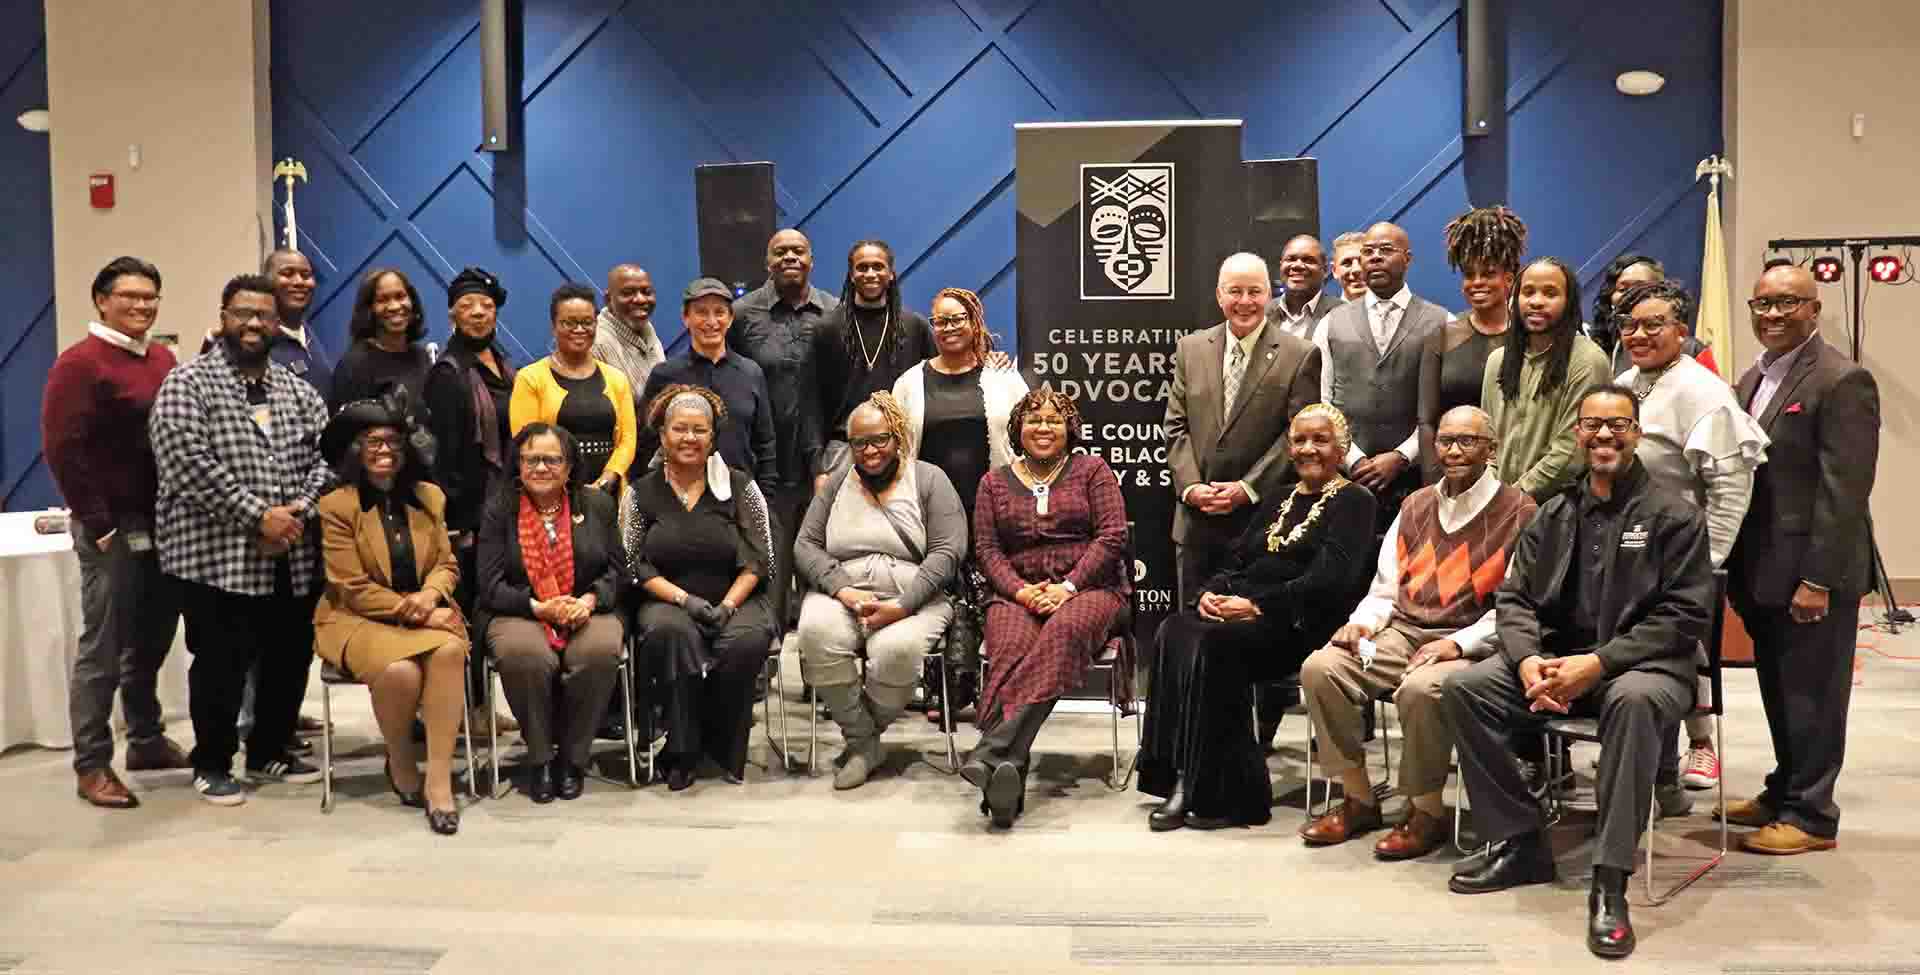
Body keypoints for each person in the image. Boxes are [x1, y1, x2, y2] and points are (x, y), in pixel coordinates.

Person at [1441, 383, 1711, 960]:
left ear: (1637, 433)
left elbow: (1685, 616)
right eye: (1593, 425)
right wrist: (1530, 659)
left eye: (1618, 425)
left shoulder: (1674, 516)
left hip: (1643, 668)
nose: (1605, 435)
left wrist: (1599, 663)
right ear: (1578, 435)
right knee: (1466, 687)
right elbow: (1514, 600)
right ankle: (1519, 840)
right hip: (1559, 665)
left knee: (1634, 702)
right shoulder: (1555, 513)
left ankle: (1609, 881)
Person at [1297, 406, 1536, 856]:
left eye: (1467, 441)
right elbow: (1385, 589)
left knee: (1421, 691)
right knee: (1321, 668)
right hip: (1404, 632)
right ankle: (1358, 798)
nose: (1454, 451)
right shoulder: (1415, 504)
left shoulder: (1519, 511)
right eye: (1446, 440)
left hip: (1471, 642)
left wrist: (1455, 644)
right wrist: (1360, 625)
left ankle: (1427, 811)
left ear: (1492, 448)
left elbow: (1515, 609)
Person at [1140, 405, 1376, 831]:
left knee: (1215, 646)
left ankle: (1229, 795)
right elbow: (1238, 560)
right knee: (1174, 629)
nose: (1309, 449)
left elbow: (1330, 581)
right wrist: (1212, 593)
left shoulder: (1355, 501)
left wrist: (1258, 606)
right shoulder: (1278, 498)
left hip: (1305, 624)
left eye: (1320, 440)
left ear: (1341, 450)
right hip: (1248, 608)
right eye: (1300, 440)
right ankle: (1176, 775)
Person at [150, 272, 333, 805]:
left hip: (292, 553)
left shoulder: (298, 392)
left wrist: (294, 513)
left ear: (278, 325)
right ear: (224, 317)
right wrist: (259, 517)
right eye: (243, 313)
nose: (254, 323)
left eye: (264, 315)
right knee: (220, 662)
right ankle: (211, 762)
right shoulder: (187, 384)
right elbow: (186, 464)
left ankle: (268, 748)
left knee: (288, 655)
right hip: (217, 556)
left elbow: (328, 458)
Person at [1722, 263, 1881, 856]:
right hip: (1765, 571)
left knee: (1814, 692)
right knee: (1780, 688)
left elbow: (1845, 492)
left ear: (1814, 309)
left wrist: (1817, 578)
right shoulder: (1753, 377)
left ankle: (1813, 814)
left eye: (1787, 303)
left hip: (1812, 575)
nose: (1772, 315)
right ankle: (1784, 788)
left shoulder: (1843, 380)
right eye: (1762, 304)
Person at [41, 256, 191, 808]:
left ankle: (146, 739)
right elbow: (63, 448)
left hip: (161, 522)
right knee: (102, 647)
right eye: (130, 296)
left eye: (150, 297)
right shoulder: (79, 365)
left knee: (151, 638)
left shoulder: (160, 358)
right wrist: (98, 523)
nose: (142, 306)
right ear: (101, 299)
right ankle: (92, 762)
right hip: (110, 527)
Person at [1615, 279, 1768, 800]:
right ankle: (1657, 781)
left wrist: (1707, 562)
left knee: (1678, 651)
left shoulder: (1703, 391)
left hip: (1683, 554)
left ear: (1681, 331)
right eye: (1630, 325)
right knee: (1639, 659)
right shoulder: (1629, 382)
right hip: (1631, 549)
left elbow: (1730, 485)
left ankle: (1700, 743)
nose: (1640, 334)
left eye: (1654, 324)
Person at [1165, 252, 1323, 747]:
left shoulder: (1298, 354)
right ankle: (1195, 738)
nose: (1245, 301)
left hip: (1262, 522)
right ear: (1219, 295)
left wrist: (1246, 488)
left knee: (1254, 636)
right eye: (1234, 291)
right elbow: (1176, 427)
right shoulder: (1191, 348)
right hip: (1196, 521)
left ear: (1269, 293)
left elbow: (1294, 438)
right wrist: (1192, 487)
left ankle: (1255, 740)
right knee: (1193, 630)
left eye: (1255, 291)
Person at [961, 389, 1131, 827]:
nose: (1043, 427)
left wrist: (1069, 587)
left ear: (1068, 429)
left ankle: (993, 749)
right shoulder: (993, 482)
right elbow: (986, 548)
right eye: (1033, 419)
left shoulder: (1092, 471)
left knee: (1064, 633)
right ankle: (1007, 772)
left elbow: (1112, 537)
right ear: (1017, 427)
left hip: (1092, 590)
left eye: (1054, 420)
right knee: (1010, 644)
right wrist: (1019, 591)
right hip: (1018, 591)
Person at [312, 394, 468, 834]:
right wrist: (414, 610)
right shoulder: (337, 506)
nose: (384, 451)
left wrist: (430, 596)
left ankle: (438, 781)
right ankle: (400, 759)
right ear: (355, 450)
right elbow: (350, 586)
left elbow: (446, 564)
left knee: (449, 653)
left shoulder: (429, 497)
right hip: (354, 616)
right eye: (372, 442)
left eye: (393, 443)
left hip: (424, 610)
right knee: (399, 673)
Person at [793, 393, 964, 790]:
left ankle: (861, 741)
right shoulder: (838, 481)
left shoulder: (929, 479)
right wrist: (842, 590)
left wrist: (903, 606)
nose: (869, 451)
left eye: (879, 440)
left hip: (914, 593)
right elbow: (805, 544)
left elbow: (948, 550)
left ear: (899, 437)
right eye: (859, 443)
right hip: (845, 591)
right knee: (816, 632)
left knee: (897, 650)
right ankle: (864, 742)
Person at [622, 385, 778, 790]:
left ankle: (721, 746)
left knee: (745, 641)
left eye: (699, 430)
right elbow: (631, 562)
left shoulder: (741, 487)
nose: (689, 438)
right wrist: (684, 600)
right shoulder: (640, 493)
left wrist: (726, 605)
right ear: (662, 435)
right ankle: (682, 750)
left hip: (736, 595)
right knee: (672, 633)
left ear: (712, 438)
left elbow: (761, 558)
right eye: (680, 429)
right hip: (667, 599)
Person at [477, 423, 626, 803]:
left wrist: (589, 601)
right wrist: (538, 606)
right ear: (519, 463)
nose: (540, 468)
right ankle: (541, 759)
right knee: (524, 655)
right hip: (520, 610)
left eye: (551, 460)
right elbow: (489, 583)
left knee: (597, 651)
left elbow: (617, 572)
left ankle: (574, 760)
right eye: (531, 459)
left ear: (570, 466)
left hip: (586, 607)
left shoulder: (598, 505)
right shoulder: (499, 508)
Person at [423, 267, 522, 735]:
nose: (478, 312)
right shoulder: (447, 372)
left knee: (490, 611)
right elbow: (444, 454)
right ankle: (464, 709)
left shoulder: (502, 364)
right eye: (467, 306)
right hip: (467, 511)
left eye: (485, 305)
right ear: (452, 315)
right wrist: (458, 519)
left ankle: (482, 706)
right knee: (466, 611)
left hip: (501, 503)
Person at [732, 229, 838, 626]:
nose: (790, 257)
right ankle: (766, 661)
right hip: (764, 465)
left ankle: (819, 671)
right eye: (780, 251)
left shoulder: (835, 311)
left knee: (819, 562)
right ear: (767, 262)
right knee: (769, 565)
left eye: (798, 250)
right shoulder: (742, 315)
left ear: (811, 259)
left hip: (824, 463)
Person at [1319, 222, 1451, 534]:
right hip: (1347, 480)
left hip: (1416, 481)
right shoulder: (1330, 323)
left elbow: (1445, 407)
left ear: (1408, 258)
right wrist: (1352, 459)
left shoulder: (1441, 321)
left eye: (1386, 250)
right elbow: (1321, 403)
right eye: (1368, 251)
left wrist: (1403, 456)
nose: (1375, 257)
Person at [1483, 257, 1612, 502]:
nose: (1537, 302)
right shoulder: (1497, 361)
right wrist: (1491, 495)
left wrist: (1512, 499)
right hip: (1497, 504)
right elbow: (1488, 442)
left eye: (1550, 293)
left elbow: (1571, 451)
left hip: (1560, 508)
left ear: (1569, 302)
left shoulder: (1588, 361)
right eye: (1528, 292)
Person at [1418, 207, 1525, 483]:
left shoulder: (1530, 337)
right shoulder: (1441, 337)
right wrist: (1434, 482)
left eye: (1488, 274)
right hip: (1453, 475)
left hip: (1518, 474)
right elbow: (1427, 421)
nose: (1477, 282)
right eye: (1469, 274)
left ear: (1509, 279)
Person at [640, 278, 778, 485]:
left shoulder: (751, 373)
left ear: (730, 319)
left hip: (739, 496)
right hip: (680, 498)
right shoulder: (665, 374)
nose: (712, 322)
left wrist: (765, 499)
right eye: (702, 312)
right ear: (685, 318)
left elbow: (765, 444)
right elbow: (645, 442)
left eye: (719, 312)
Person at [814, 240, 936, 471]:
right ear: (851, 275)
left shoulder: (914, 326)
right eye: (862, 267)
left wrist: (989, 363)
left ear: (891, 274)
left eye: (878, 266)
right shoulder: (827, 328)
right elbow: (811, 401)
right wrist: (816, 466)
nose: (870, 273)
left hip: (901, 446)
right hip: (844, 447)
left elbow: (942, 373)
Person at [510, 283, 639, 493]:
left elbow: (627, 440)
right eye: (569, 323)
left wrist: (608, 479)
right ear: (554, 326)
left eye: (587, 322)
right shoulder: (530, 378)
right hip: (551, 493)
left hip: (608, 496)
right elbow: (527, 444)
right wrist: (562, 484)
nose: (579, 329)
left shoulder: (617, 379)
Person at [201, 249, 331, 393]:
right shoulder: (246, 341)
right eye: (287, 273)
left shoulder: (307, 335)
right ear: (266, 281)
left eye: (306, 275)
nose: (299, 282)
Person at [1591, 254, 1719, 376]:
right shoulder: (1601, 349)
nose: (1631, 295)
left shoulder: (1692, 350)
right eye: (1623, 289)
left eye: (1640, 287)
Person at [328, 268, 434, 414]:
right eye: (382, 300)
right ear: (369, 309)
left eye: (400, 296)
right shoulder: (354, 365)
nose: (395, 306)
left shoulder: (421, 355)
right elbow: (343, 429)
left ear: (412, 301)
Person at [592, 263, 667, 400]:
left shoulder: (647, 329)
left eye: (647, 292)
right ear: (608, 300)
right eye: (628, 293)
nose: (640, 299)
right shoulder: (596, 343)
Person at [1262, 233, 1344, 346]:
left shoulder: (1342, 313)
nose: (1297, 265)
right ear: (1281, 266)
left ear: (1325, 270)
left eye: (1308, 260)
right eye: (1291, 259)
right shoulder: (1262, 314)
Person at [1330, 231, 1369, 302]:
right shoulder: (1326, 313)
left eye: (1362, 261)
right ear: (1334, 271)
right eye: (1347, 263)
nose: (1356, 269)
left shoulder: (1394, 310)